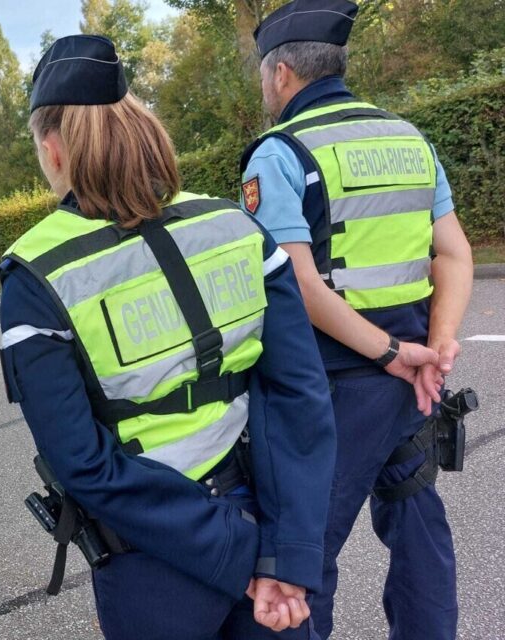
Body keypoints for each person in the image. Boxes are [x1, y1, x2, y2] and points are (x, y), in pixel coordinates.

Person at [0, 35, 336, 639]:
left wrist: (237, 556)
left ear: (52, 149)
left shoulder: (35, 272)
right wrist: (285, 554)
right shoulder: (235, 225)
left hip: (155, 559)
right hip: (267, 523)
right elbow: (301, 395)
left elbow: (83, 464)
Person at [239, 2, 474, 638]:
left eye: (263, 76)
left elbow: (298, 285)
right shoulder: (410, 138)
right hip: (414, 383)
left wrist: (391, 352)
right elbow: (453, 252)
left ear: (282, 74)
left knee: (302, 558)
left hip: (334, 387)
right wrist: (438, 345)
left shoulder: (281, 154)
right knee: (419, 528)